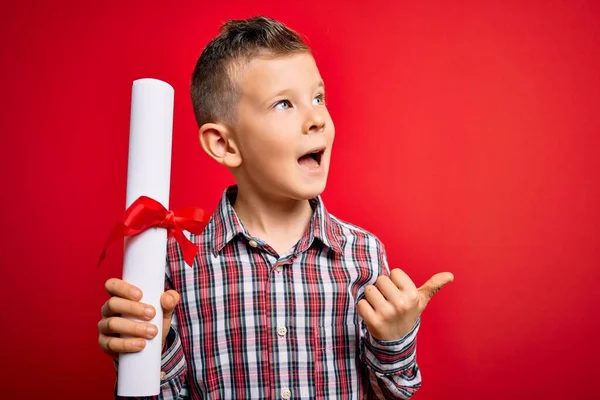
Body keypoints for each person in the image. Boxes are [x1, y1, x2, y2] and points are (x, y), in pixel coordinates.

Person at [98, 16, 454, 399]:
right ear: (224, 145)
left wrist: (394, 340)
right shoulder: (175, 261)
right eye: (284, 103)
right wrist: (151, 349)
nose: (317, 118)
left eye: (319, 98)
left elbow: (393, 393)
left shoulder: (363, 255)